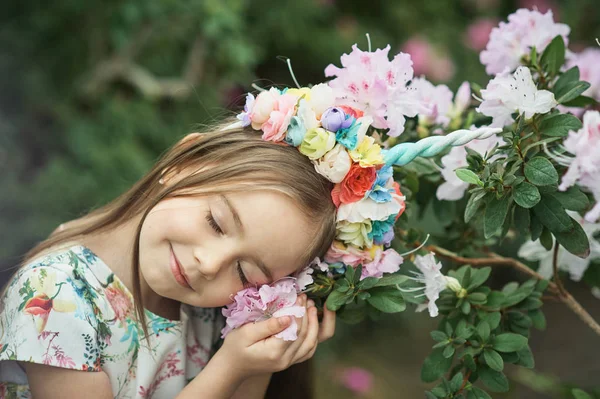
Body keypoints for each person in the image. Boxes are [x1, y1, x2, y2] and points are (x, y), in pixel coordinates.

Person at [0, 123, 338, 398]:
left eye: (243, 271)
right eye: (215, 223)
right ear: (182, 164)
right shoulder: (57, 296)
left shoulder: (215, 312)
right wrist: (229, 369)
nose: (208, 264)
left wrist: (260, 363)